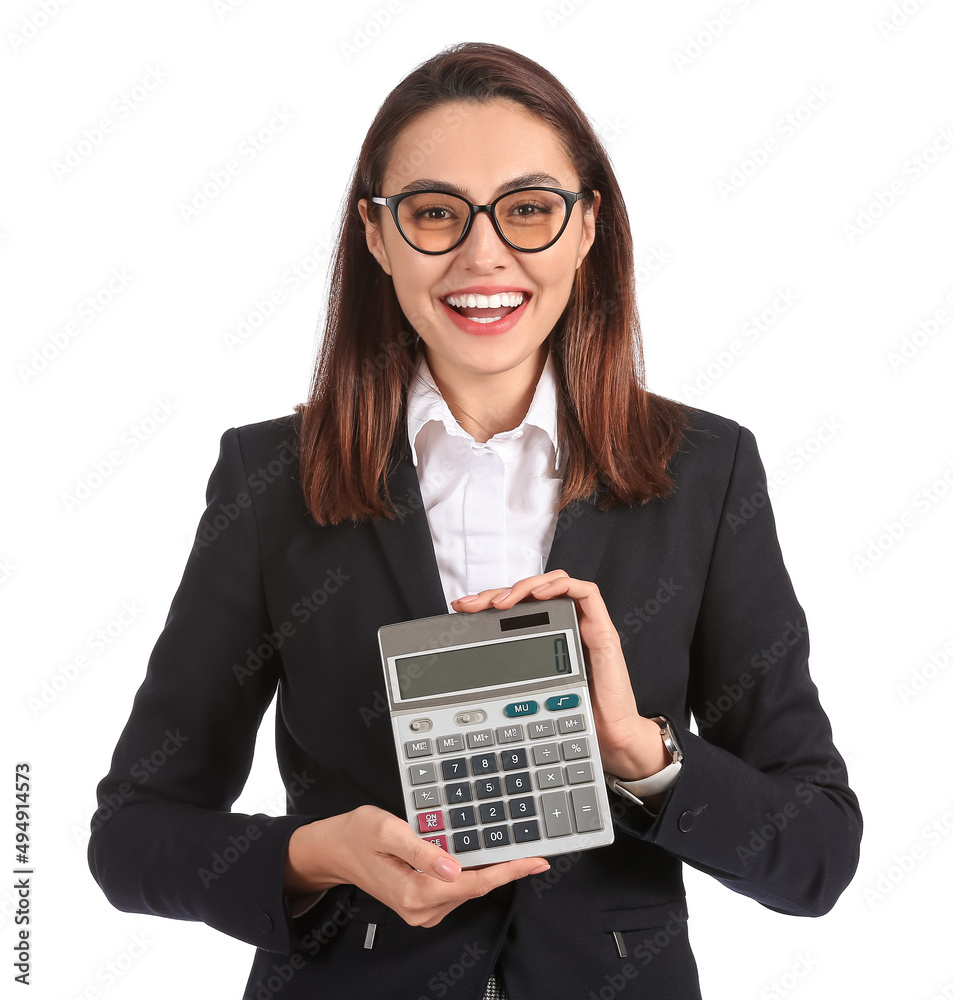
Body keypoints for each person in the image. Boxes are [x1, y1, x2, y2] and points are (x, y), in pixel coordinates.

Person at [88, 42, 862, 1000]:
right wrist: (317, 855)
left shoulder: (704, 471)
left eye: (529, 209)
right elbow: (131, 835)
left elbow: (817, 852)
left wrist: (642, 754)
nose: (483, 253)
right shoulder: (271, 480)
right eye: (434, 213)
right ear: (377, 236)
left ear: (587, 231)